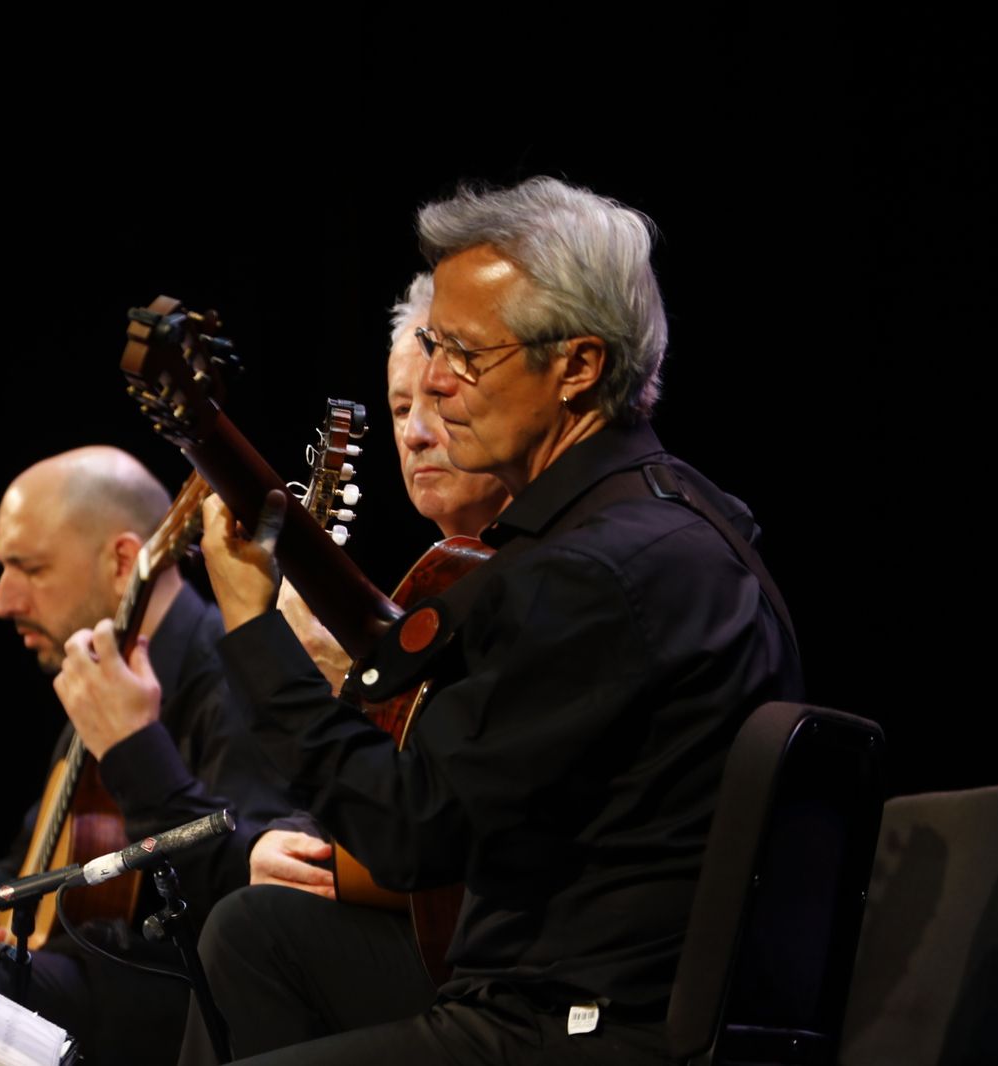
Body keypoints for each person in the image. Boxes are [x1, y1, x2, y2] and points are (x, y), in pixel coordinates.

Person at [188, 177, 804, 1065]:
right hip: (557, 988)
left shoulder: (593, 572)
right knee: (262, 937)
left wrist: (254, 629)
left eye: (466, 355)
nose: (434, 385)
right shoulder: (670, 516)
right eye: (433, 347)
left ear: (579, 367)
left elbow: (408, 835)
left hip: (582, 1023)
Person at [0, 446, 286, 1066]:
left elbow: (244, 900)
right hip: (89, 977)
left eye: (28, 568)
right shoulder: (98, 669)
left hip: (184, 1006)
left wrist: (134, 750)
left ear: (124, 561)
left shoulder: (232, 677)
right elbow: (25, 857)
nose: (2, 600)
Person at [251, 272, 510, 897]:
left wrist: (350, 679)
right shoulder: (429, 583)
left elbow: (465, 827)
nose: (416, 433)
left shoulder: (541, 577)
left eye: (438, 401)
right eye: (399, 409)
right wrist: (286, 839)